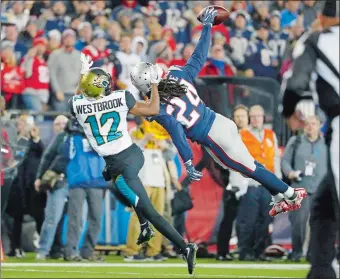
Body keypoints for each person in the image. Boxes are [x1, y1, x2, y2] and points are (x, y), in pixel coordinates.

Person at [131, 7, 307, 217]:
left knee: (248, 168)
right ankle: (278, 196)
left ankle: (290, 193)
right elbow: (199, 56)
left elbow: (176, 131)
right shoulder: (177, 74)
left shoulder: (158, 107)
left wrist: (187, 160)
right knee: (245, 164)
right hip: (220, 121)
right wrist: (207, 27)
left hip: (212, 136)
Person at [71, 56, 197, 274]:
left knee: (150, 211)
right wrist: (155, 84)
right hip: (131, 155)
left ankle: (185, 246)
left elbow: (79, 95)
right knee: (118, 185)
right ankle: (145, 225)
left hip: (122, 164)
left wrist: (83, 76)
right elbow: (153, 109)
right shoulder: (121, 97)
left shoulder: (79, 107)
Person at [281, 1, 339, 277]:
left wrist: (289, 111)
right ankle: (321, 270)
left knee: (331, 204)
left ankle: (322, 270)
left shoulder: (317, 40)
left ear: (325, 17)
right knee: (324, 204)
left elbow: (295, 84)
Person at [281, 115, 328, 262]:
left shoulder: (327, 143)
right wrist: (290, 173)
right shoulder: (295, 141)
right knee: (298, 223)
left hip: (321, 189)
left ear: (320, 125)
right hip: (299, 189)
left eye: (313, 123)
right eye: (307, 123)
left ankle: (313, 253)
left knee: (319, 224)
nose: (310, 126)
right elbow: (285, 162)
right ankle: (297, 252)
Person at [34, 116, 69, 260]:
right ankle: (43, 249)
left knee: (73, 220)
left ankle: (61, 250)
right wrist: (39, 177)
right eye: (57, 123)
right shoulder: (53, 141)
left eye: (63, 123)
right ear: (53, 127)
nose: (60, 126)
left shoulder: (72, 137)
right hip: (57, 181)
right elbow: (46, 158)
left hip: (75, 182)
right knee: (52, 218)